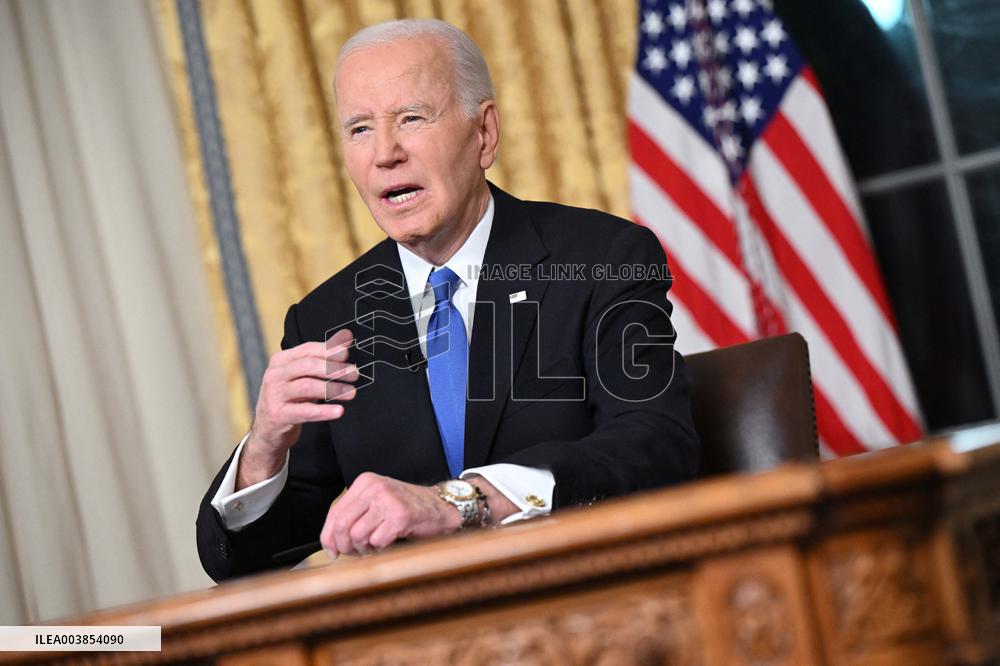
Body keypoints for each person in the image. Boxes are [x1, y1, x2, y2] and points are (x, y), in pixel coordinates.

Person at [197, 18, 699, 582]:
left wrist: (464, 502)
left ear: (483, 133)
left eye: (411, 118)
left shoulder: (602, 257)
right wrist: (265, 446)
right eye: (360, 129)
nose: (385, 153)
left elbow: (658, 447)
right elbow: (242, 560)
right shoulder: (326, 319)